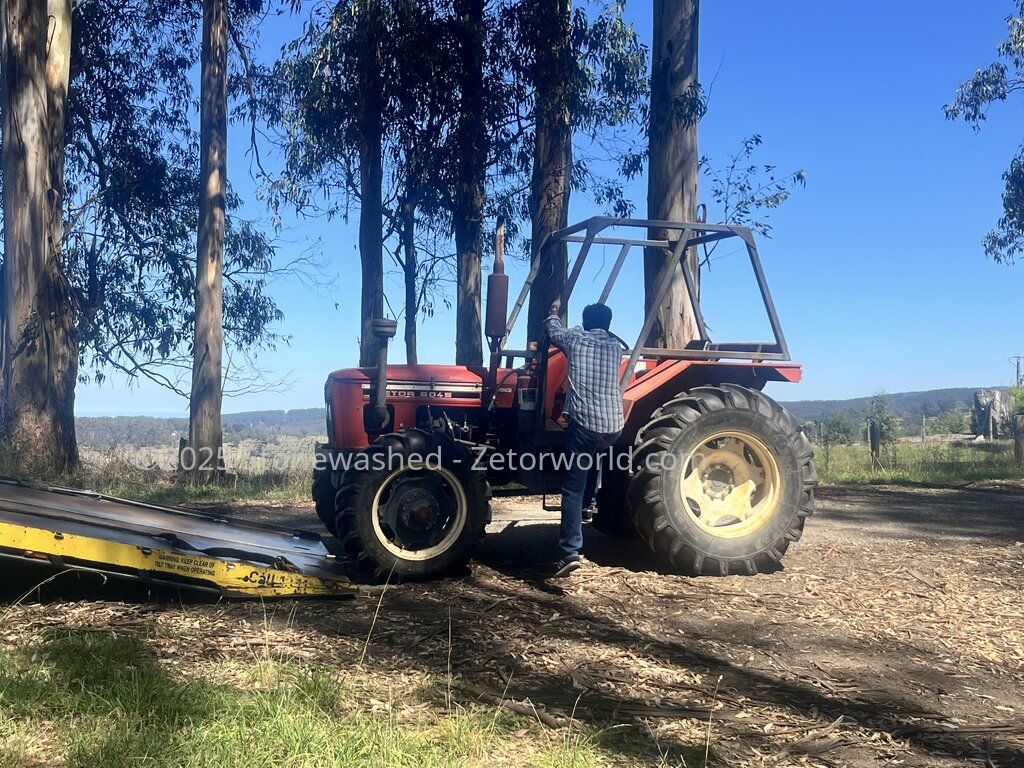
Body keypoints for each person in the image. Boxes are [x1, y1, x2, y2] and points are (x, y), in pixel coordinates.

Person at [544, 300, 624, 577]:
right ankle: (590, 504)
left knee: (571, 489)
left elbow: (554, 332)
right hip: (613, 426)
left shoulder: (577, 337)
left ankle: (569, 552)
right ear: (608, 323)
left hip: (587, 425)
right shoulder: (616, 347)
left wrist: (553, 312)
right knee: (593, 459)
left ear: (586, 322)